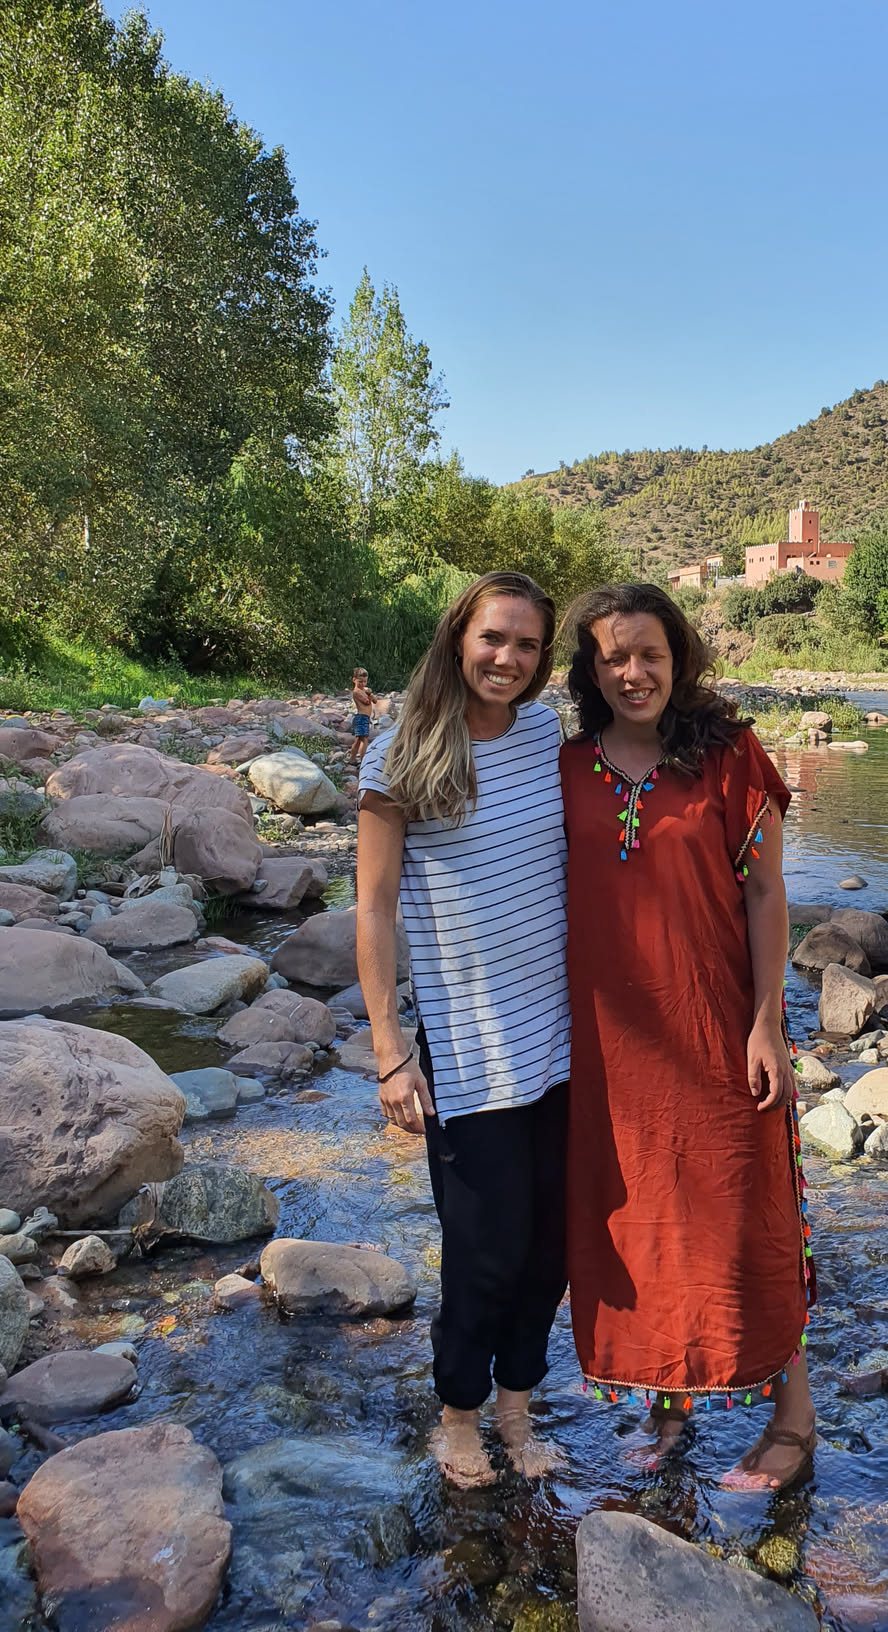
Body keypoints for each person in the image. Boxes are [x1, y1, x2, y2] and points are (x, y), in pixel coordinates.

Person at [560, 582, 817, 1492]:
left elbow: (767, 894)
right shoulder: (567, 767)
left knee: (747, 1209)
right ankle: (668, 1406)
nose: (634, 673)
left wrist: (765, 1023)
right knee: (642, 1221)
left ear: (679, 659)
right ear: (591, 670)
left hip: (717, 1028)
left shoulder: (730, 756)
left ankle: (794, 1419)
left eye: (650, 655)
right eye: (614, 657)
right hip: (611, 1046)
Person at [355, 572, 570, 1489]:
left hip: (566, 1042)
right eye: (493, 638)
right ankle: (457, 1418)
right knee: (485, 1251)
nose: (507, 659)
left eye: (526, 645)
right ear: (458, 638)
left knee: (551, 1249)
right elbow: (373, 908)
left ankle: (517, 1409)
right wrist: (389, 1050)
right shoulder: (401, 752)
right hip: (470, 1043)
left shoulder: (545, 734)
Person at [349, 667, 374, 766]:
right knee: (364, 740)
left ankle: (352, 759)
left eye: (365, 682)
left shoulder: (364, 690)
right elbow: (367, 701)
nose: (363, 684)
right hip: (361, 717)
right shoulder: (356, 692)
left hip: (365, 718)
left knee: (358, 739)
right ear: (354, 680)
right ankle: (364, 761)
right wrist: (369, 695)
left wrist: (371, 695)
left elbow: (375, 701)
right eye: (360, 682)